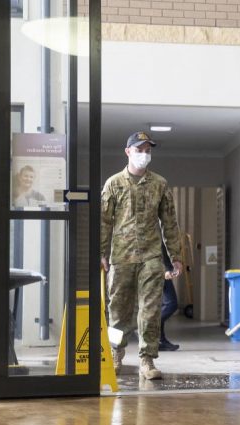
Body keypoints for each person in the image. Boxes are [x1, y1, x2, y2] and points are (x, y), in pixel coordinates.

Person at [101, 131, 183, 380]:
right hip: (121, 257)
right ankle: (116, 354)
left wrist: (176, 255)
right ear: (128, 152)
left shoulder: (159, 184)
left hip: (151, 256)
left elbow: (170, 223)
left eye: (148, 150)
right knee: (118, 309)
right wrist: (101, 252)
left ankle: (147, 360)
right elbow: (104, 222)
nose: (144, 155)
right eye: (139, 150)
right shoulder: (114, 184)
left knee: (150, 309)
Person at [159, 242, 180, 351]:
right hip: (159, 271)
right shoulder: (158, 227)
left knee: (163, 305)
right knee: (171, 304)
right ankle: (149, 325)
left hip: (161, 269)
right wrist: (166, 269)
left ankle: (160, 340)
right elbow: (159, 249)